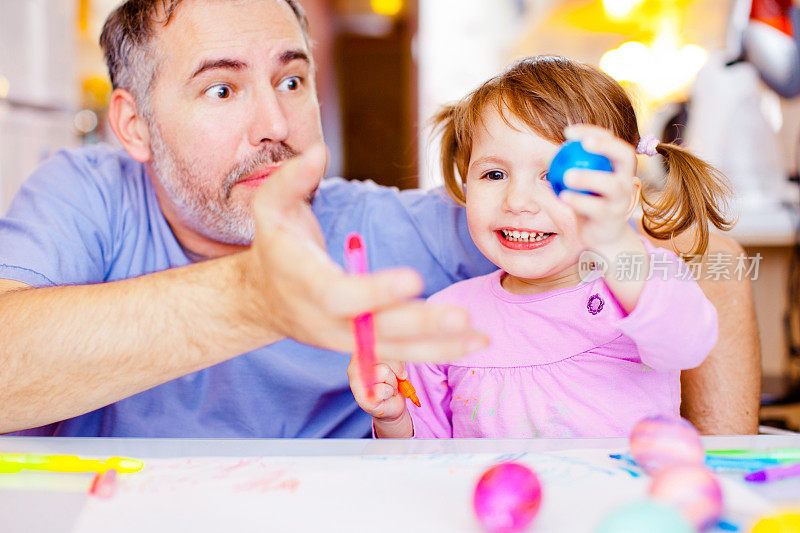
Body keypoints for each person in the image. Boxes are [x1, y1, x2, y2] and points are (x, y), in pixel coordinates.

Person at [0, 0, 758, 437]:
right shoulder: (85, 195)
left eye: (291, 78)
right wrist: (254, 299)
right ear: (132, 125)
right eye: (222, 91)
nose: (277, 122)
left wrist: (715, 484)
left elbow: (706, 247)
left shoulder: (389, 229)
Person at [348, 56, 729, 438]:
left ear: (621, 199)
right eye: (494, 174)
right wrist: (391, 416)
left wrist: (614, 239)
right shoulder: (445, 318)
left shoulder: (640, 283)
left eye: (553, 177)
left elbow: (688, 344)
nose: (517, 201)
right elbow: (424, 455)